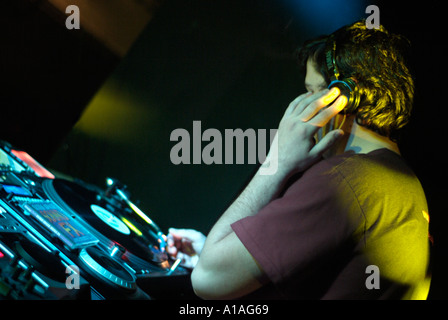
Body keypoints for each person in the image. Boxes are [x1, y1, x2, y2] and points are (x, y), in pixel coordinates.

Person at [167, 21, 431, 299]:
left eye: (310, 90)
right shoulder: (403, 188)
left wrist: (277, 162)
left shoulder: (348, 182)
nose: (302, 100)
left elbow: (208, 281)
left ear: (342, 97)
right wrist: (225, 252)